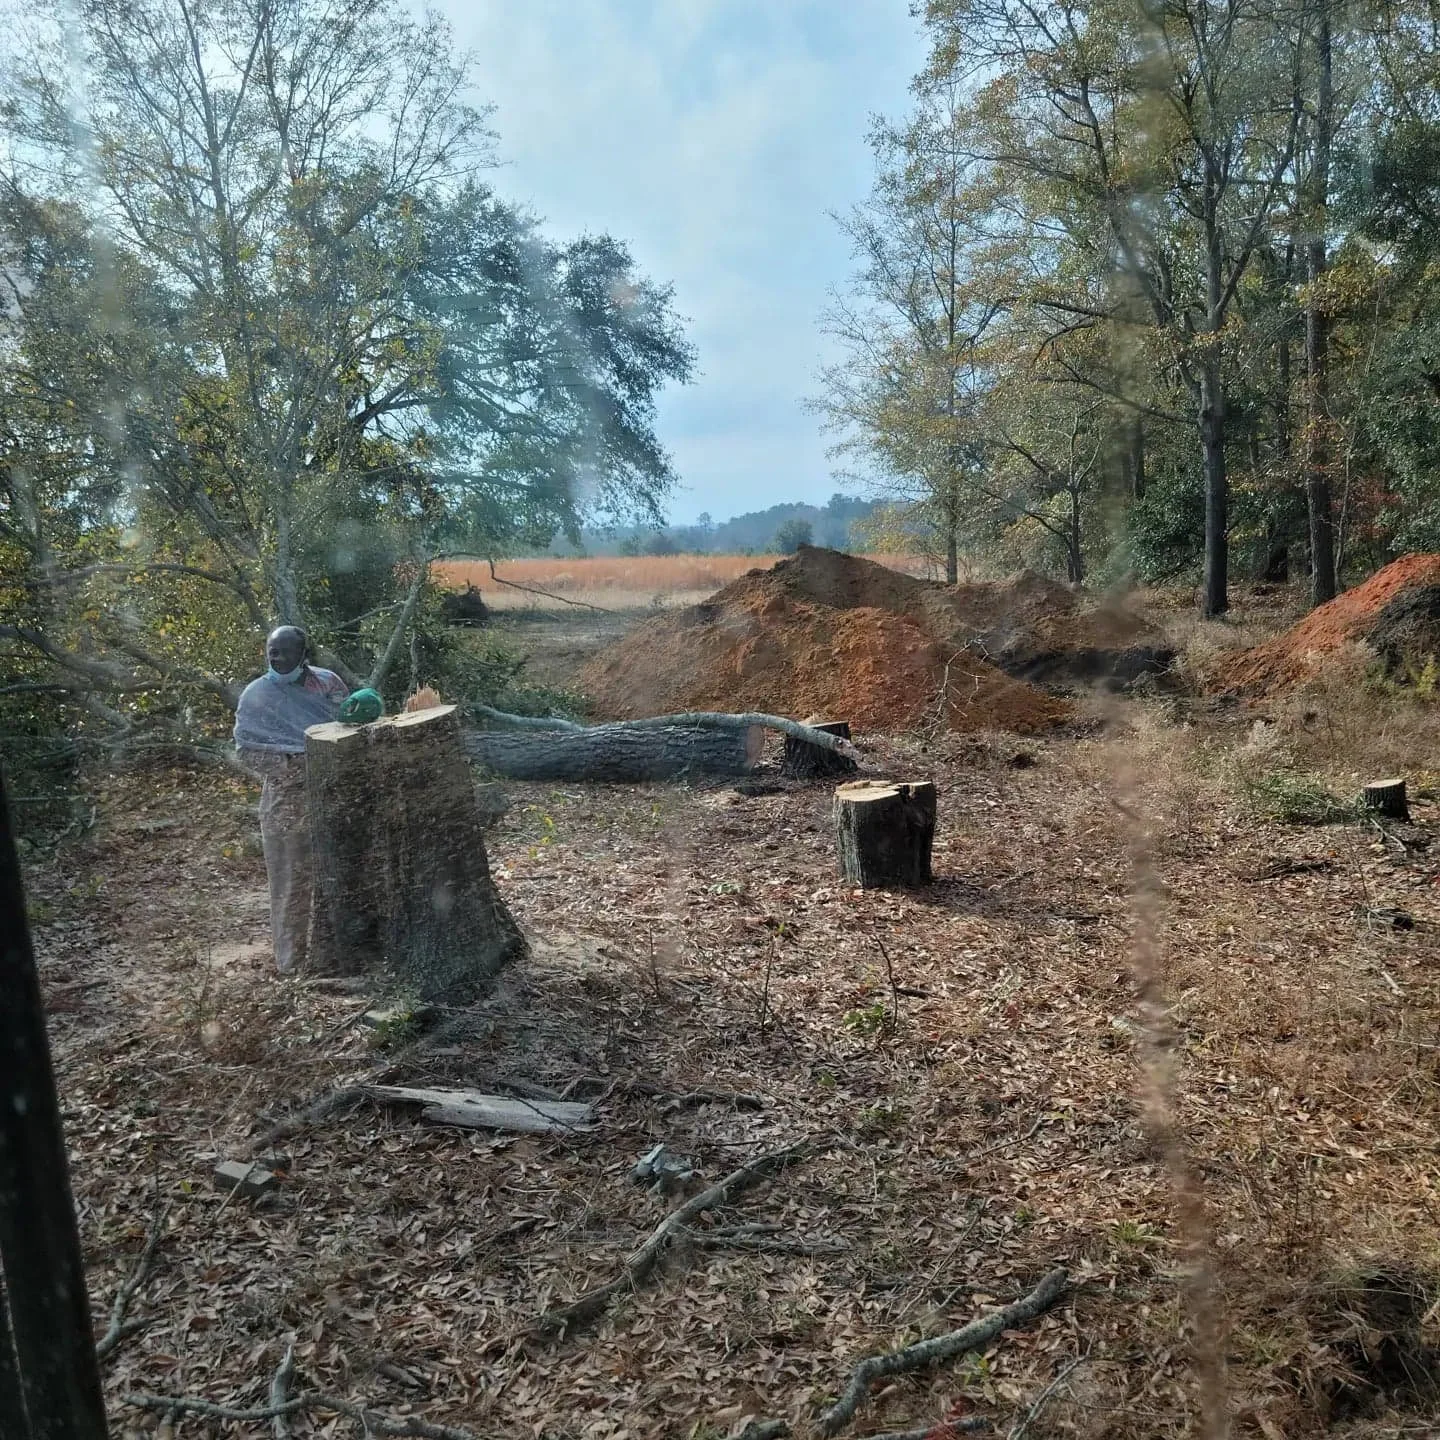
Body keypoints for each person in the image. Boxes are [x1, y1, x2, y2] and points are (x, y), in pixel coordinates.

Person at [233, 626, 349, 974]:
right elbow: (247, 752)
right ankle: (292, 965)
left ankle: (336, 959)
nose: (278, 658)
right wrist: (301, 766)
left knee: (336, 881)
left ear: (304, 654)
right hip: (286, 807)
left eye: (285, 652)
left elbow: (345, 726)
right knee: (290, 886)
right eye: (273, 652)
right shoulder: (257, 695)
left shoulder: (328, 684)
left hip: (335, 800)